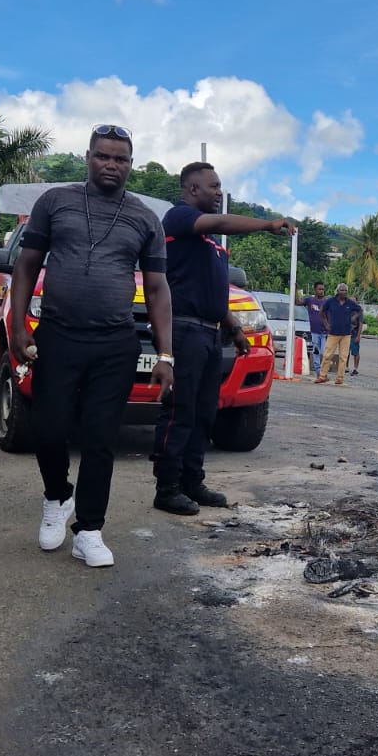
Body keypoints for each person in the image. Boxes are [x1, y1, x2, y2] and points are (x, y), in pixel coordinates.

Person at [9, 124, 174, 569]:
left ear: (130, 165)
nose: (111, 165)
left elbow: (158, 289)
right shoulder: (55, 202)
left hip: (114, 342)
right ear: (88, 157)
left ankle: (90, 529)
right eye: (104, 156)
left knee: (101, 438)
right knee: (48, 427)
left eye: (120, 159)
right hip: (58, 335)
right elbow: (26, 265)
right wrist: (18, 324)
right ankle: (57, 496)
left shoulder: (144, 218)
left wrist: (165, 355)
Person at [152, 162, 295, 516]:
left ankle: (192, 482)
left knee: (204, 413)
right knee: (179, 412)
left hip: (210, 333)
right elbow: (217, 221)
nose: (219, 192)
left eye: (220, 187)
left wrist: (234, 328)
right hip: (183, 330)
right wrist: (266, 224)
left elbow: (212, 292)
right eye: (213, 186)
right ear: (192, 189)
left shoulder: (210, 243)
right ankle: (167, 487)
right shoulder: (179, 218)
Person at [315, 283, 362, 385]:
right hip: (333, 333)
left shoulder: (350, 303)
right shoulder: (331, 301)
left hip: (346, 334)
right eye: (341, 290)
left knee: (343, 357)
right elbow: (322, 312)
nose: (343, 292)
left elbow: (359, 310)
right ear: (337, 291)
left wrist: (354, 317)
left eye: (345, 290)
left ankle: (340, 378)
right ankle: (322, 376)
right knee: (327, 355)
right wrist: (326, 324)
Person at [300, 281, 328, 375]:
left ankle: (324, 371)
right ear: (315, 290)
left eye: (323, 289)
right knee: (316, 351)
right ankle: (318, 371)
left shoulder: (326, 301)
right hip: (314, 331)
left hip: (324, 332)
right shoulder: (310, 300)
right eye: (319, 289)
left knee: (324, 352)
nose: (321, 291)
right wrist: (295, 290)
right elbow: (297, 302)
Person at [348, 309, 363, 375]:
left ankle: (355, 368)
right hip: (346, 334)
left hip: (354, 334)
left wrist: (358, 336)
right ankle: (345, 367)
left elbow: (360, 324)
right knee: (345, 352)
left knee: (355, 352)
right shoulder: (347, 309)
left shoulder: (359, 311)